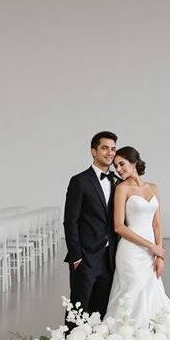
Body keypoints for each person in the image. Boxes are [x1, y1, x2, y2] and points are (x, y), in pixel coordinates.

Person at [105, 146, 170, 331]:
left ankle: (152, 339)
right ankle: (126, 338)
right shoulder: (122, 188)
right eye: (116, 166)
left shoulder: (153, 188)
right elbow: (119, 226)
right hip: (130, 252)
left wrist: (159, 255)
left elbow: (157, 224)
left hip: (151, 252)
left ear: (134, 162)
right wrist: (152, 246)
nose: (118, 169)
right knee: (131, 294)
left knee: (153, 294)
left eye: (122, 164)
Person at [63, 131, 120, 320]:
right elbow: (70, 221)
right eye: (105, 148)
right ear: (93, 151)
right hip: (85, 257)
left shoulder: (117, 182)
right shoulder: (79, 181)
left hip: (110, 257)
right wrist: (76, 256)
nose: (110, 153)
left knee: (101, 309)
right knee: (78, 309)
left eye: (113, 149)